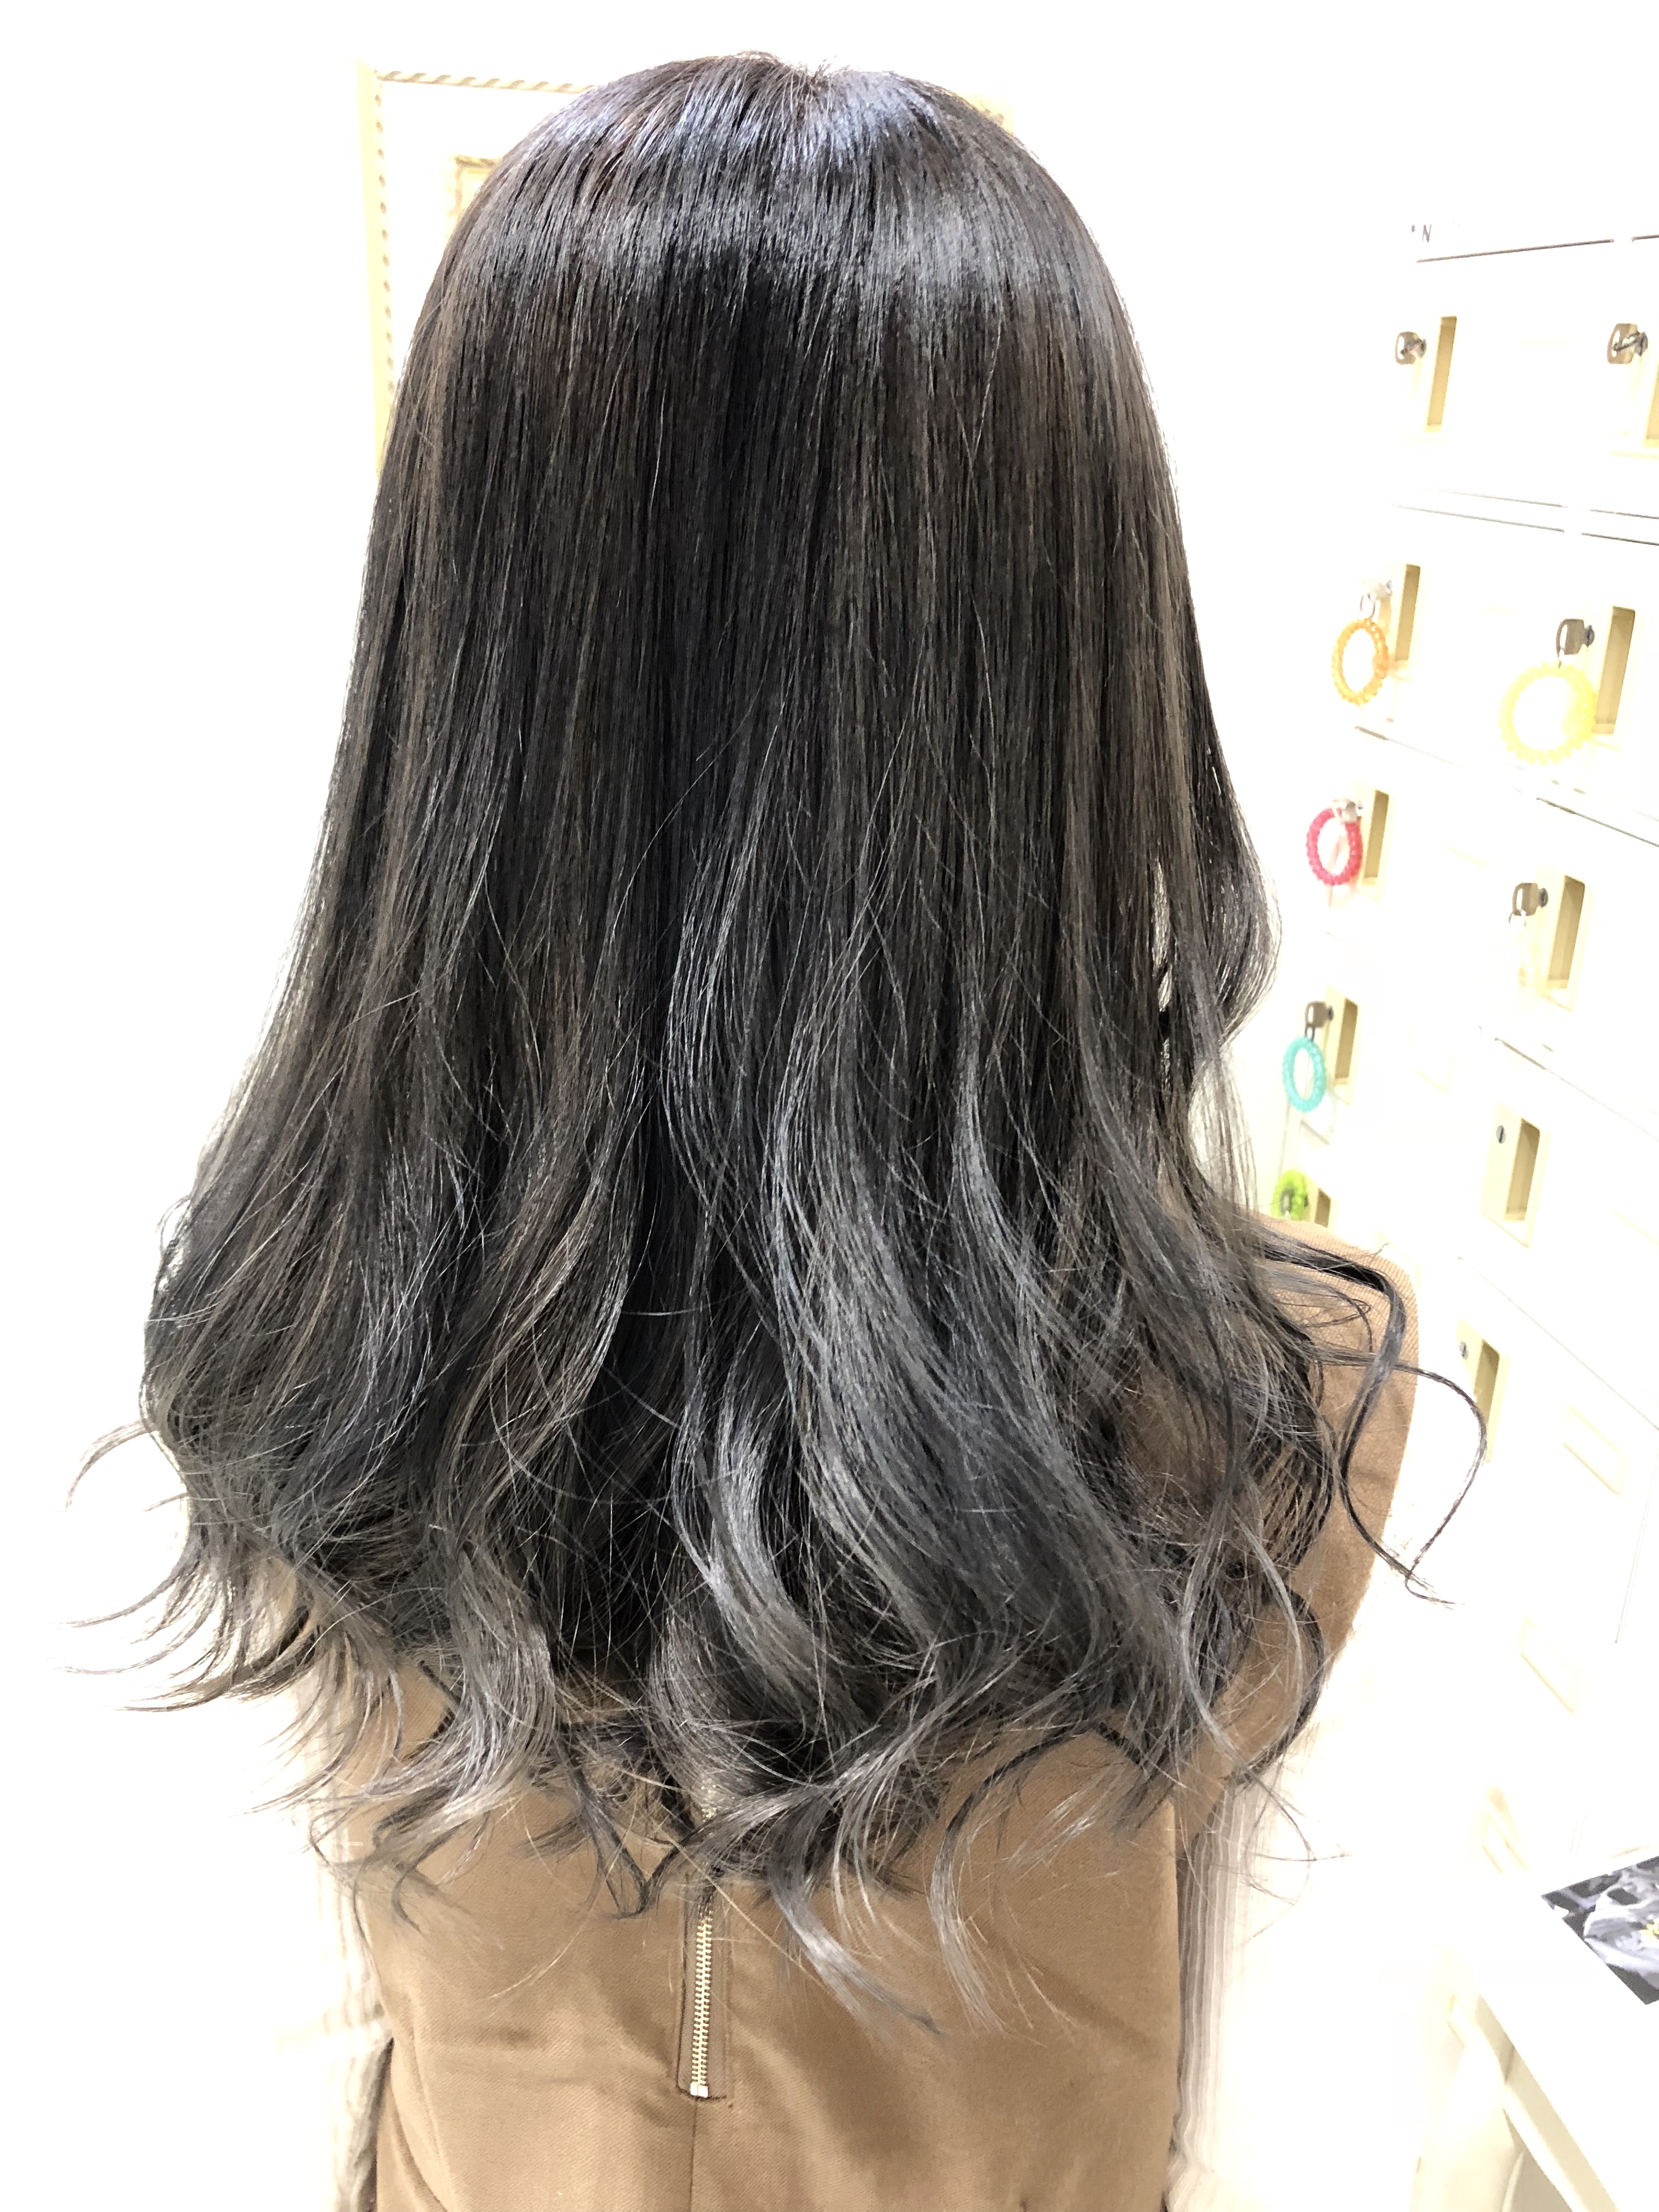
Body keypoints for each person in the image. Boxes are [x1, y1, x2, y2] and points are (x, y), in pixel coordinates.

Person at [89, 51, 1472, 2212]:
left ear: (459, 690)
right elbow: (1306, 2144)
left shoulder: (296, 1338)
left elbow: (267, 2053)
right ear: (1080, 677)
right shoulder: (1300, 1413)